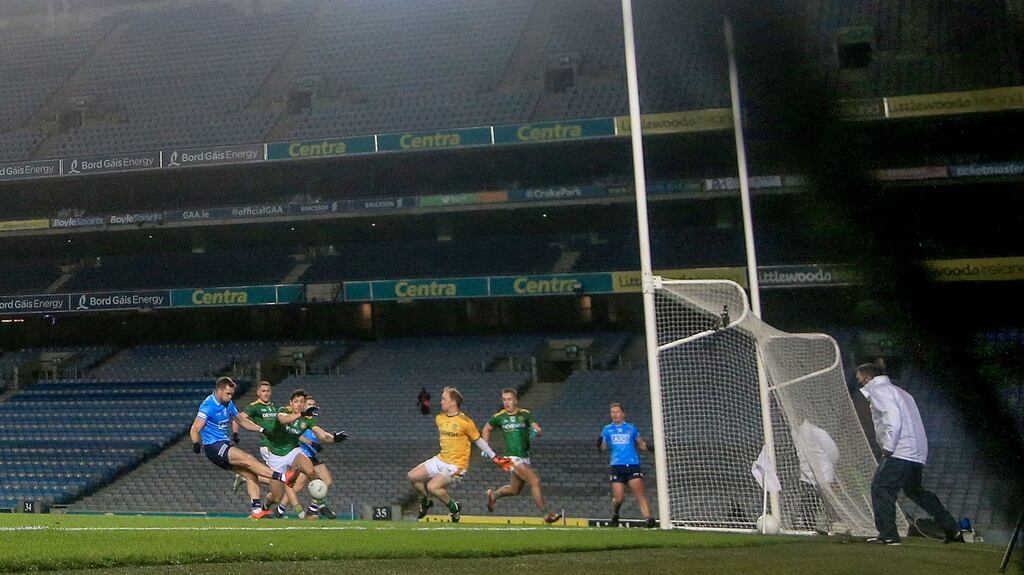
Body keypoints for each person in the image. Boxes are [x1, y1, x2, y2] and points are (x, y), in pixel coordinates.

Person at [855, 363, 962, 545]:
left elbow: (893, 418)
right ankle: (952, 528)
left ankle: (888, 535)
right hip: (916, 452)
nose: (860, 383)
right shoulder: (902, 392)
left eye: (860, 379)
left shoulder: (880, 390)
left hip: (900, 450)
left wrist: (889, 446)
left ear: (866, 377)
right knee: (915, 490)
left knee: (881, 488)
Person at [189, 377, 298, 518]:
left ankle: (257, 510)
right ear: (219, 390)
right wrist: (196, 443)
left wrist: (262, 430)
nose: (230, 397)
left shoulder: (228, 404)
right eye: (228, 394)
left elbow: (241, 420)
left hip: (223, 444)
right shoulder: (208, 405)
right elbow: (195, 428)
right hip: (213, 446)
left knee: (250, 473)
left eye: (232, 394)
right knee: (248, 459)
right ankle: (283, 477)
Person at [407, 386, 513, 522]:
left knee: (432, 487)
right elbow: (427, 410)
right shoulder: (440, 418)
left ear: (453, 402)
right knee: (412, 476)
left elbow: (479, 441)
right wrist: (424, 404)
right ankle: (425, 502)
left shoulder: (465, 422)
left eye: (444, 399)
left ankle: (454, 508)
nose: (441, 402)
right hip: (441, 459)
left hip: (456, 465)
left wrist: (495, 457)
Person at [482, 388, 561, 523]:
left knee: (514, 490)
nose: (506, 403)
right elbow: (486, 428)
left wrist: (537, 430)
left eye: (509, 399)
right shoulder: (499, 417)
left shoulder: (525, 414)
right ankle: (546, 514)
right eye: (504, 400)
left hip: (524, 457)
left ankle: (493, 495)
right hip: (511, 458)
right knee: (534, 481)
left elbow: (536, 427)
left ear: (516, 401)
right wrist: (485, 446)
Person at [291, 394, 349, 519]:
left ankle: (315, 508)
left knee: (326, 481)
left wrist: (334, 438)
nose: (312, 407)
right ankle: (277, 510)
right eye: (309, 404)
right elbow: (294, 435)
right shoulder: (296, 418)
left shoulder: (311, 420)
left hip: (312, 456)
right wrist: (311, 443)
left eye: (313, 405)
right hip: (301, 456)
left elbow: (322, 435)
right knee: (295, 487)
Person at [599, 403, 655, 528]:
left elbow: (641, 444)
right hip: (617, 465)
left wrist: (651, 447)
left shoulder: (631, 428)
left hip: (632, 464)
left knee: (639, 493)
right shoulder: (607, 429)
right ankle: (615, 513)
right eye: (612, 412)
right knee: (619, 498)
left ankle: (648, 519)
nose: (615, 414)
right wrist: (599, 444)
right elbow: (603, 447)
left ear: (623, 414)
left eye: (617, 412)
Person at [791, 419, 841, 533]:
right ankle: (810, 528)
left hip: (823, 475)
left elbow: (833, 453)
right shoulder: (794, 431)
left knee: (830, 505)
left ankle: (838, 527)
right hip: (806, 475)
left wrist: (826, 467)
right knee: (808, 506)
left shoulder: (817, 432)